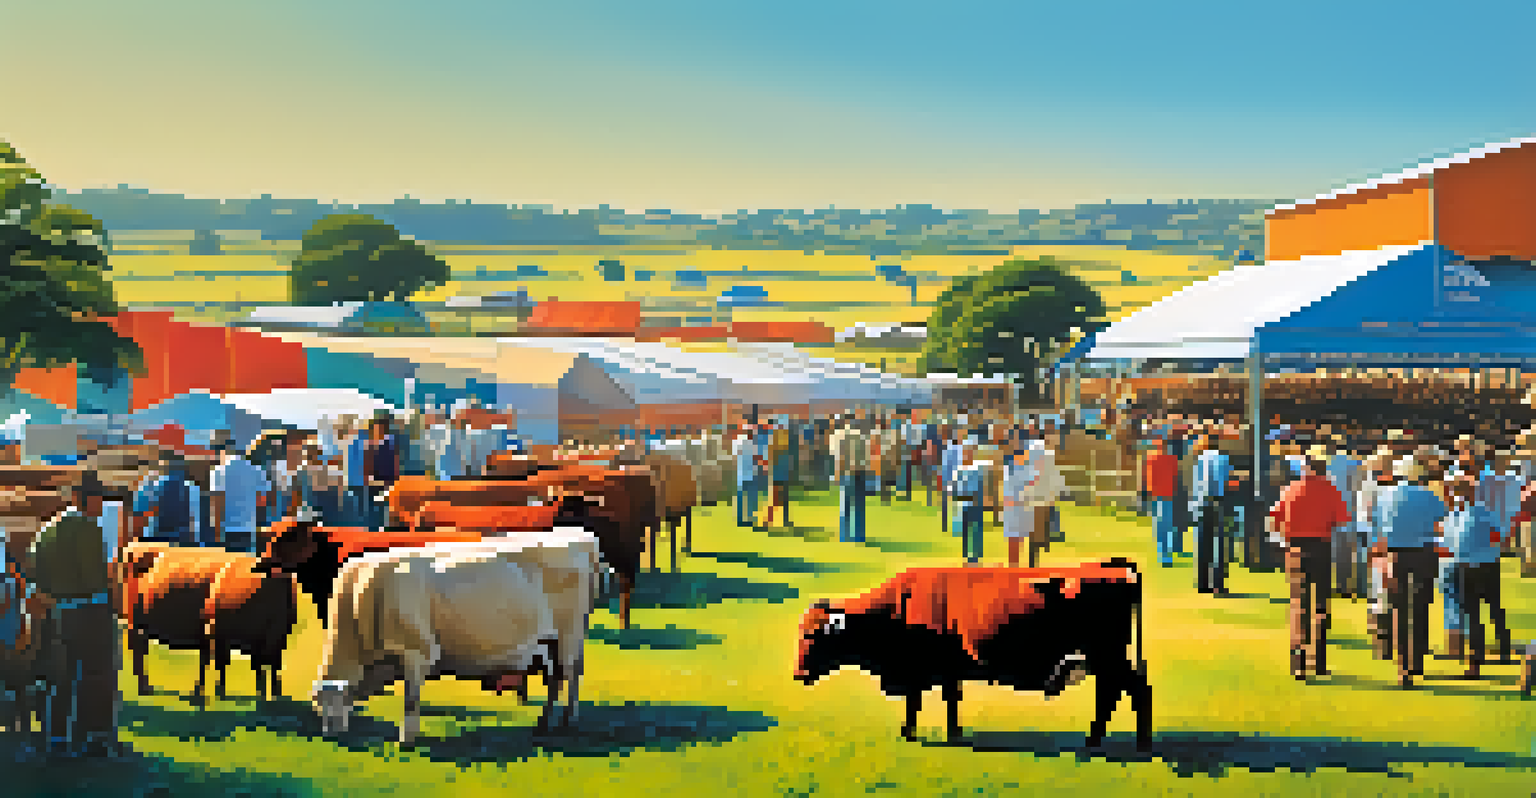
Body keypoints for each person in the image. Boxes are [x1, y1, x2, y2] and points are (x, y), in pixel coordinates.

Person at [27, 474, 119, 757]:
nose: (102, 505)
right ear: (81, 498)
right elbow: (96, 580)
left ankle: (56, 738)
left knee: (60, 679)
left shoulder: (48, 529)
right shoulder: (88, 528)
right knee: (96, 675)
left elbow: (34, 571)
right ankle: (96, 737)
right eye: (97, 498)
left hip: (56, 613)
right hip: (89, 613)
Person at [1269, 452, 1350, 680]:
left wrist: (1283, 540)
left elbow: (1274, 519)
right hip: (1321, 547)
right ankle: (1320, 662)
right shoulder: (1330, 489)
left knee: (1298, 604)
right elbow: (1342, 520)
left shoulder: (1291, 489)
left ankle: (1299, 662)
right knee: (1321, 605)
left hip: (1295, 549)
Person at [1370, 456, 1450, 688]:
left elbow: (1379, 529)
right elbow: (1441, 519)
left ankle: (1403, 666)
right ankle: (1416, 663)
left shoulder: (1385, 495)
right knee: (1421, 606)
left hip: (1395, 554)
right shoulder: (1430, 495)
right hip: (1424, 552)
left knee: (1399, 609)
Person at [1438, 475, 1508, 679]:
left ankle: (1495, 653)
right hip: (1472, 566)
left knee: (1485, 610)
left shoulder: (1479, 513)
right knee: (1479, 612)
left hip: (1480, 565)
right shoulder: (1462, 515)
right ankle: (1481, 659)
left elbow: (1500, 537)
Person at [208, 436, 271, 554]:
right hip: (250, 527)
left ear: (224, 451)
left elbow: (216, 503)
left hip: (228, 528)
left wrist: (216, 531)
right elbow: (262, 501)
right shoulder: (258, 471)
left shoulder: (218, 472)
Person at [1191, 435, 1232, 595]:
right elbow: (1224, 481)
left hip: (1201, 505)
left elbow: (1196, 484)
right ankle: (1217, 584)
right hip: (1217, 503)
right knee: (1218, 546)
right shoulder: (1223, 459)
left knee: (1203, 546)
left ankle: (1203, 584)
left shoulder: (1199, 459)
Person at [131, 457, 202, 546]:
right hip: (182, 537)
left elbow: (140, 511)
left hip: (155, 536)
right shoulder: (193, 489)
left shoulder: (152, 486)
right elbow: (195, 519)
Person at [1143, 440, 1179, 568]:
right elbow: (1174, 477)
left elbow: (1150, 477)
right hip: (1166, 496)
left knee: (1161, 526)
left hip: (1160, 496)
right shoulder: (1171, 459)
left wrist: (1149, 491)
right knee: (1166, 526)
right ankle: (1166, 555)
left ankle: (1163, 554)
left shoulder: (1153, 457)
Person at [950, 443, 987, 566]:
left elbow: (981, 487)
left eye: (970, 451)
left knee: (976, 531)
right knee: (965, 532)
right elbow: (953, 489)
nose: (967, 454)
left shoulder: (977, 469)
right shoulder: (958, 470)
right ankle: (967, 556)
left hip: (975, 504)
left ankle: (975, 557)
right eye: (966, 451)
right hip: (963, 504)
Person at [835, 419, 869, 543]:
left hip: (847, 472)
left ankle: (844, 536)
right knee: (859, 507)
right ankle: (860, 537)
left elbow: (840, 457)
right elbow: (866, 457)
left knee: (845, 506)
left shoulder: (840, 436)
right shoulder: (862, 436)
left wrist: (837, 474)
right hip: (860, 472)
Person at [734, 428, 759, 528]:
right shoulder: (753, 446)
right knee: (750, 499)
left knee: (741, 498)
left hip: (740, 474)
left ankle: (740, 519)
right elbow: (756, 458)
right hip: (749, 474)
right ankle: (749, 517)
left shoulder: (738, 443)